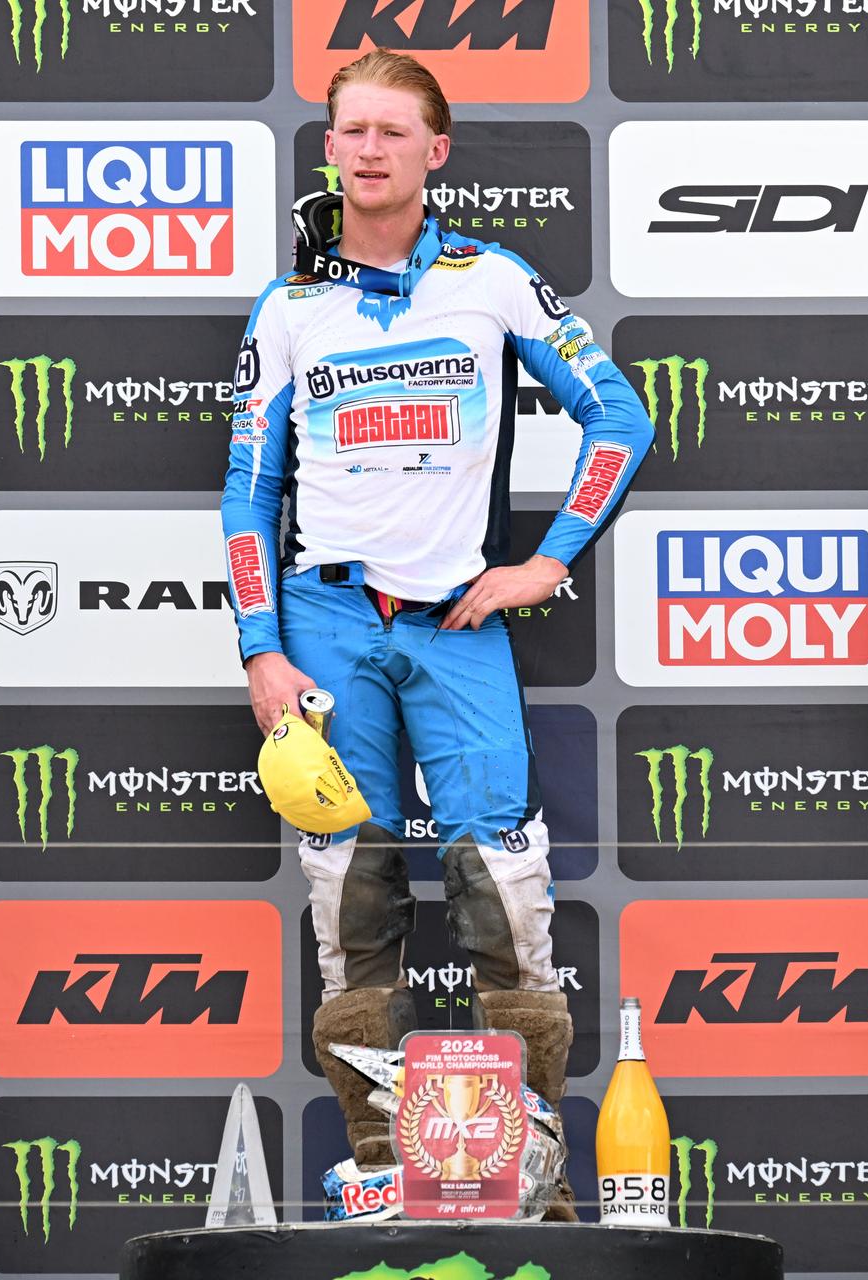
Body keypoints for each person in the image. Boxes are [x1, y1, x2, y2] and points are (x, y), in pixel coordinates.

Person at [222, 51, 653, 1216]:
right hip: (322, 618)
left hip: (460, 616)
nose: (368, 150)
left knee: (501, 888)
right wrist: (262, 645)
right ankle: (379, 1165)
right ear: (330, 147)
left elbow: (620, 415)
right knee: (349, 894)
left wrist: (546, 563)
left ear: (434, 151)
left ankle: (533, 1169)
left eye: (392, 132)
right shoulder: (289, 305)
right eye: (350, 130)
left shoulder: (493, 278)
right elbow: (246, 493)